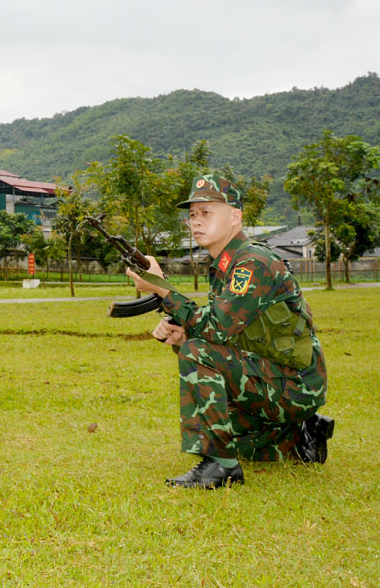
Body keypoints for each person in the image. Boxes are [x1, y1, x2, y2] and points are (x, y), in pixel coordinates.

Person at [126, 174, 334, 489]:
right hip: (274, 376)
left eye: (206, 212)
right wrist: (182, 335)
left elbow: (218, 328)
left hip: (295, 383)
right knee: (230, 432)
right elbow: (224, 330)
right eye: (192, 214)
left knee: (196, 354)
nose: (195, 221)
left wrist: (164, 290)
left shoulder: (252, 262)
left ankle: (221, 467)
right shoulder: (226, 266)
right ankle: (300, 437)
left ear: (234, 217)